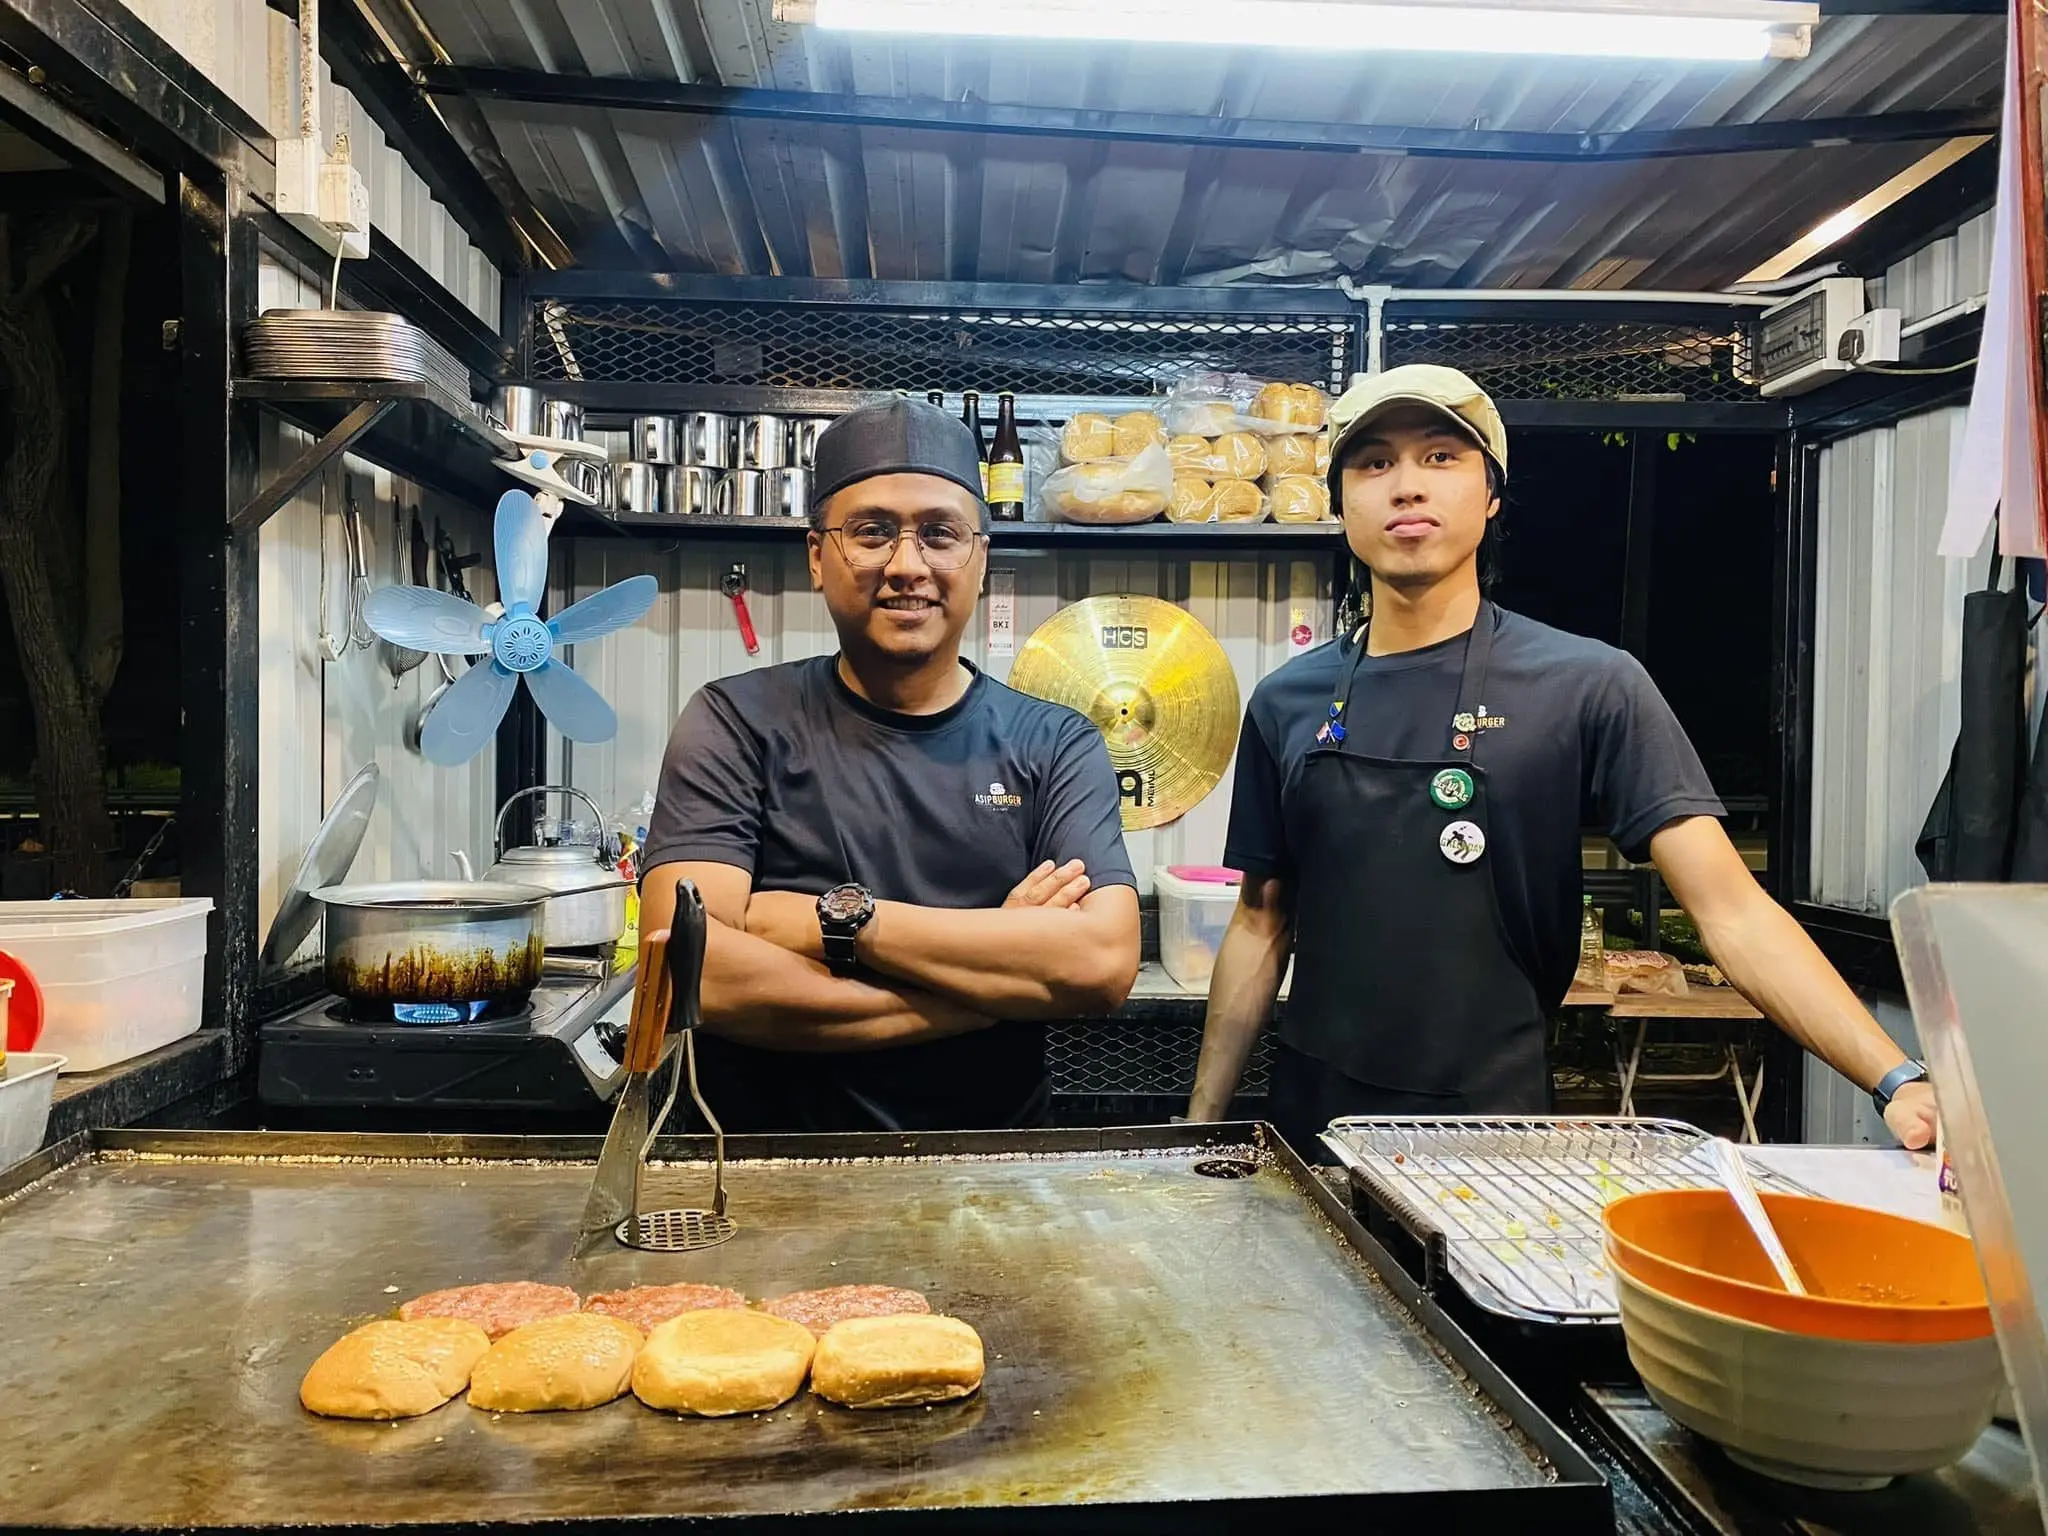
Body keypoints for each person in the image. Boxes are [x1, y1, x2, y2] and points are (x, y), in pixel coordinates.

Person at [1186, 364, 1938, 1154]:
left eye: (1441, 456)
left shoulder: (1588, 684)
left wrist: (1895, 1078)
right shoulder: (1287, 700)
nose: (1406, 486)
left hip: (1495, 1133)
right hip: (1310, 1128)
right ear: (1341, 504)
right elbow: (1259, 924)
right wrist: (1197, 1131)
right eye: (1374, 463)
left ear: (1492, 493)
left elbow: (1733, 911)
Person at [638, 398, 1141, 1132]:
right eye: (872, 532)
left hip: (993, 1174)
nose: (908, 566)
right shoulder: (736, 721)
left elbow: (1102, 964)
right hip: (760, 1173)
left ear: (980, 559)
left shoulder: (1055, 743)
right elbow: (689, 970)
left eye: (941, 533)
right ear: (818, 557)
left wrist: (843, 922)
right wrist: (989, 988)